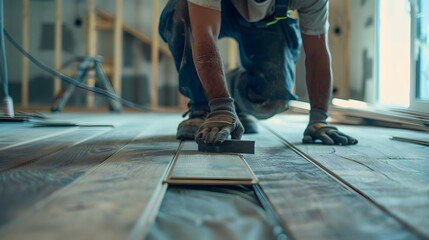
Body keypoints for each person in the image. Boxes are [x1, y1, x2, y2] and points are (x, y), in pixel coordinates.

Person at [159, 0, 358, 145]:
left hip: (268, 21)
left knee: (272, 99)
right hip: (217, 10)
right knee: (181, 13)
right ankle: (203, 106)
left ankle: (236, 100)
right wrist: (220, 106)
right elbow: (204, 36)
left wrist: (319, 118)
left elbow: (316, 53)